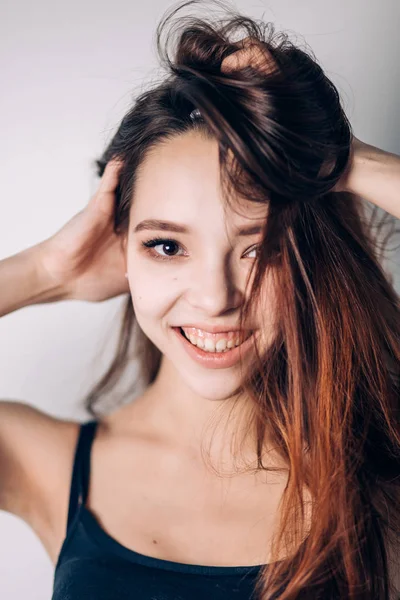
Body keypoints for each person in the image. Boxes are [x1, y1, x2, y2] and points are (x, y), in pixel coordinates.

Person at [1, 2, 400, 599]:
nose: (216, 299)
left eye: (261, 249)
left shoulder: (380, 478)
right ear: (123, 250)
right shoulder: (47, 463)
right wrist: (46, 271)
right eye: (166, 246)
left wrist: (347, 160)